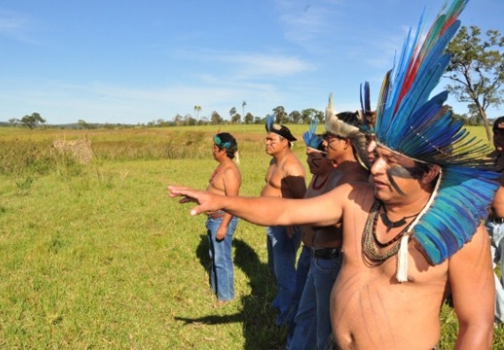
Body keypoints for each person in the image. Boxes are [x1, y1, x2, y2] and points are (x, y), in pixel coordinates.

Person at [169, 1, 498, 348]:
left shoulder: (460, 232)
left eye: (390, 161)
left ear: (429, 172)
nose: (377, 168)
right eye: (375, 157)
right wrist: (220, 200)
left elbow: (476, 325)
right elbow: (284, 211)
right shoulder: (356, 199)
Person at [290, 105, 370, 350]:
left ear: (347, 142)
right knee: (306, 317)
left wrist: (300, 215)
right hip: (319, 259)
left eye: (330, 139)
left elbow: (336, 219)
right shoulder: (338, 172)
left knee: (325, 330)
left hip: (331, 261)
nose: (324, 144)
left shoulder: (352, 177)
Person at [287, 121, 334, 347]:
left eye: (315, 157)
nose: (309, 162)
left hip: (325, 257)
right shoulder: (315, 178)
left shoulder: (335, 183)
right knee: (302, 305)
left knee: (318, 315)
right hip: (308, 252)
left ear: (329, 157)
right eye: (307, 156)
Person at [261, 115, 307, 327]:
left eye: (272, 140)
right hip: (272, 222)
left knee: (285, 270)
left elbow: (302, 200)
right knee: (275, 267)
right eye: (267, 139)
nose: (267, 143)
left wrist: (292, 222)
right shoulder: (274, 161)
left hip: (285, 226)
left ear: (285, 142)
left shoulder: (292, 168)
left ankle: (289, 315)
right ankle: (282, 301)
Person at [205, 132, 242, 307]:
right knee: (214, 255)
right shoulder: (221, 167)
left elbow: (233, 203)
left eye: (215, 148)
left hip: (222, 220)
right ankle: (215, 288)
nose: (212, 151)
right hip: (214, 219)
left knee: (222, 258)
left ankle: (226, 296)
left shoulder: (230, 172)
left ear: (222, 151)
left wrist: (224, 226)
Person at [486, 116, 504, 324]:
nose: (499, 137)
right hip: (488, 224)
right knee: (484, 271)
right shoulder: (489, 159)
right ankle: (501, 314)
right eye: (497, 132)